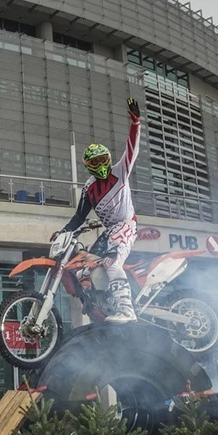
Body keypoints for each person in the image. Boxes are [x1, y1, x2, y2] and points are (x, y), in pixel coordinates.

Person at [53, 97, 142, 323]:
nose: (100, 165)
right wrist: (62, 232)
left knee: (112, 263)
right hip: (110, 230)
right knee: (84, 264)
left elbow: (132, 148)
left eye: (102, 160)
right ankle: (98, 304)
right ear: (88, 167)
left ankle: (127, 310)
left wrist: (136, 123)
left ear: (109, 159)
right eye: (94, 163)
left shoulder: (120, 171)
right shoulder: (89, 187)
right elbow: (79, 217)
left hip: (126, 225)